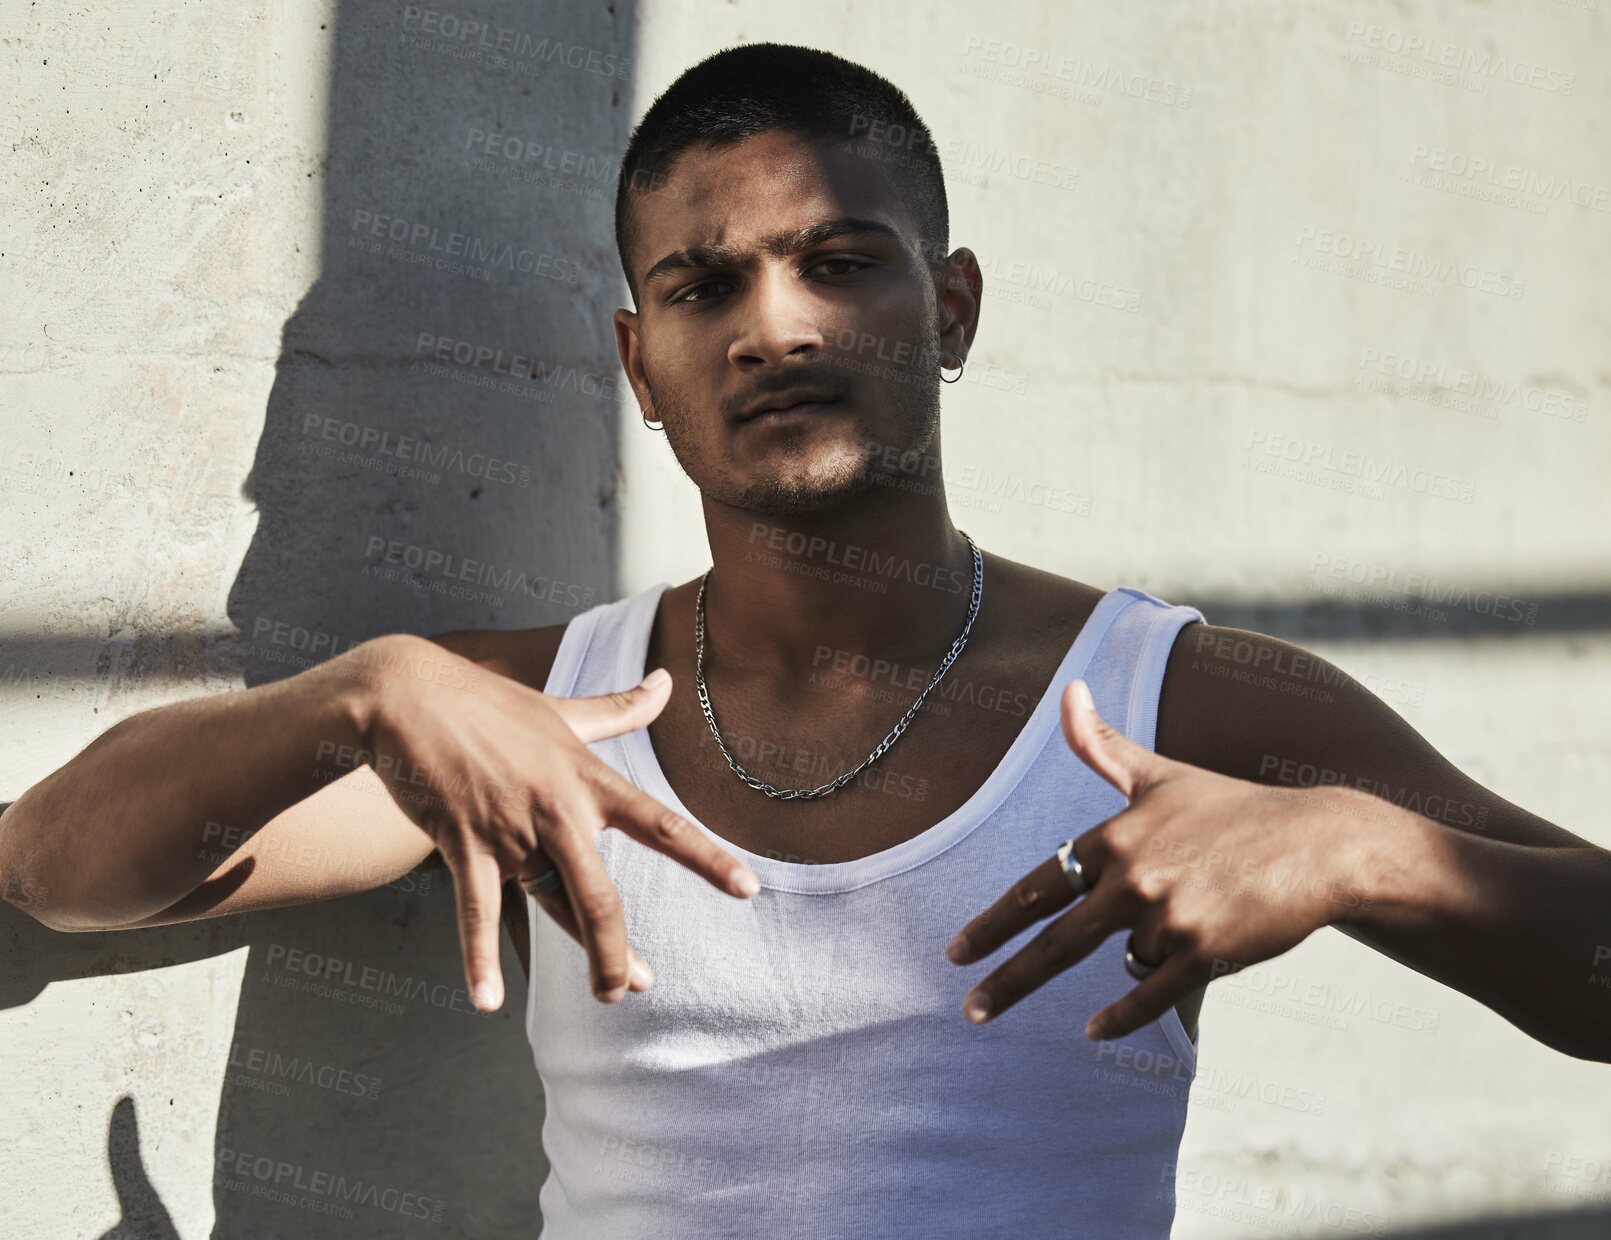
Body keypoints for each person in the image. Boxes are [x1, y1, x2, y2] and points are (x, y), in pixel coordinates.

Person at [4, 41, 1608, 1239]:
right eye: (705, 286)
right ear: (640, 362)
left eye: (839, 264)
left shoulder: (1175, 693)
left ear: (953, 309)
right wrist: (358, 694)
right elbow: (49, 875)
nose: (773, 326)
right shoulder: (531, 707)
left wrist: (1364, 851)